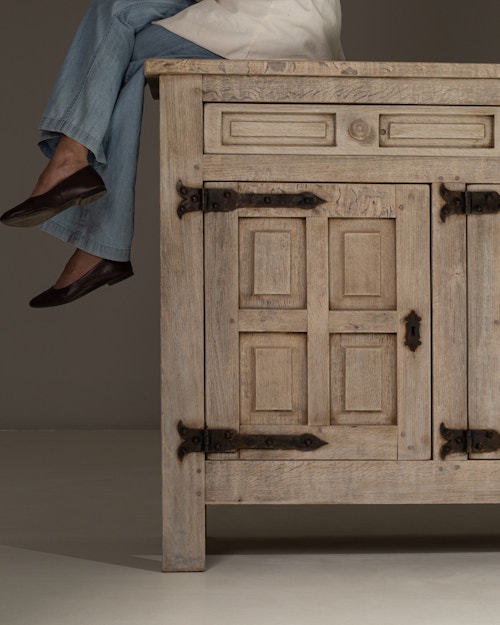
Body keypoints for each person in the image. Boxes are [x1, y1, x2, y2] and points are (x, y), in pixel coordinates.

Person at [1, 0, 344, 307]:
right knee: (114, 17)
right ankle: (83, 200)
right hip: (284, 18)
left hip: (269, 22)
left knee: (121, 41)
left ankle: (91, 218)